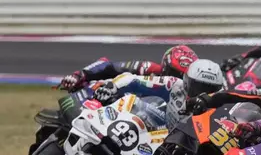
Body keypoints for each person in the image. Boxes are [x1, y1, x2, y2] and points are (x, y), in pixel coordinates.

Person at [92, 59, 226, 130]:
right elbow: (132, 79)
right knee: (135, 104)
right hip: (162, 130)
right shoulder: (174, 84)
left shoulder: (219, 110)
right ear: (186, 81)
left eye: (209, 90)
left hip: (185, 149)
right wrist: (112, 87)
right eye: (198, 87)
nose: (201, 94)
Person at [58, 45, 199, 92]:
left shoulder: (193, 92)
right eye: (175, 73)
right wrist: (80, 75)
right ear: (165, 68)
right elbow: (108, 65)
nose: (177, 79)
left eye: (183, 76)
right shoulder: (149, 68)